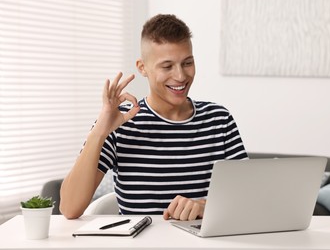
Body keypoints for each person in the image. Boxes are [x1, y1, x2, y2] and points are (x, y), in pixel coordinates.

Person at [60, 14, 247, 221]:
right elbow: (69, 208)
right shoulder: (120, 124)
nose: (180, 76)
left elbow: (248, 199)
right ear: (142, 68)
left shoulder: (219, 120)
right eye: (167, 66)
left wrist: (206, 206)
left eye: (187, 63)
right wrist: (99, 132)